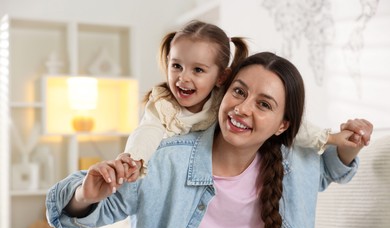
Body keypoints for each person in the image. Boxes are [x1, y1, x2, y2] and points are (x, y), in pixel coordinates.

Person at [46, 52, 373, 228]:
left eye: (263, 104)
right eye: (239, 91)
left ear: (282, 125)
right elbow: (71, 214)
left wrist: (349, 145)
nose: (242, 108)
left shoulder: (294, 162)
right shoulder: (165, 160)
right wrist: (84, 196)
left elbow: (327, 171)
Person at [122, 20, 352, 180]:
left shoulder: (222, 99)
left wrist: (330, 137)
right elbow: (146, 132)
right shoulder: (163, 106)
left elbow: (292, 126)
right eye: (176, 66)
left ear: (221, 77)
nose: (183, 78)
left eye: (198, 70)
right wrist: (134, 160)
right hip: (169, 171)